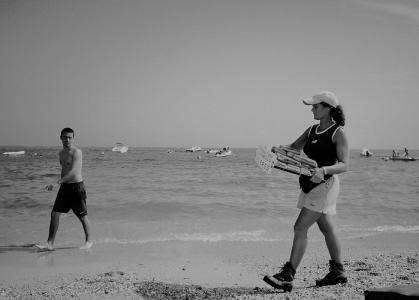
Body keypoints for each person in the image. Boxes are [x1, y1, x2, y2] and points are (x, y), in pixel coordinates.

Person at [264, 91, 349, 292]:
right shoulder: (311, 130)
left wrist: (324, 170)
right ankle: (338, 271)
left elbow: (345, 165)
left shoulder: (338, 133)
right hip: (309, 185)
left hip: (325, 185)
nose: (312, 109)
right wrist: (279, 151)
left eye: (315, 106)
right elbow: (293, 147)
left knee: (300, 227)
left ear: (328, 108)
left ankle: (288, 275)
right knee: (326, 226)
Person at [36, 128, 92, 251]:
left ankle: (88, 241)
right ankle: (50, 243)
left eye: (70, 137)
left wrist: (57, 183)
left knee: (82, 216)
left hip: (76, 187)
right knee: (55, 214)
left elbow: (74, 172)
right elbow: (64, 170)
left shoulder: (77, 152)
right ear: (61, 137)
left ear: (73, 138)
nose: (67, 139)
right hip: (64, 188)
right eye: (65, 137)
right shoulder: (61, 153)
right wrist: (60, 183)